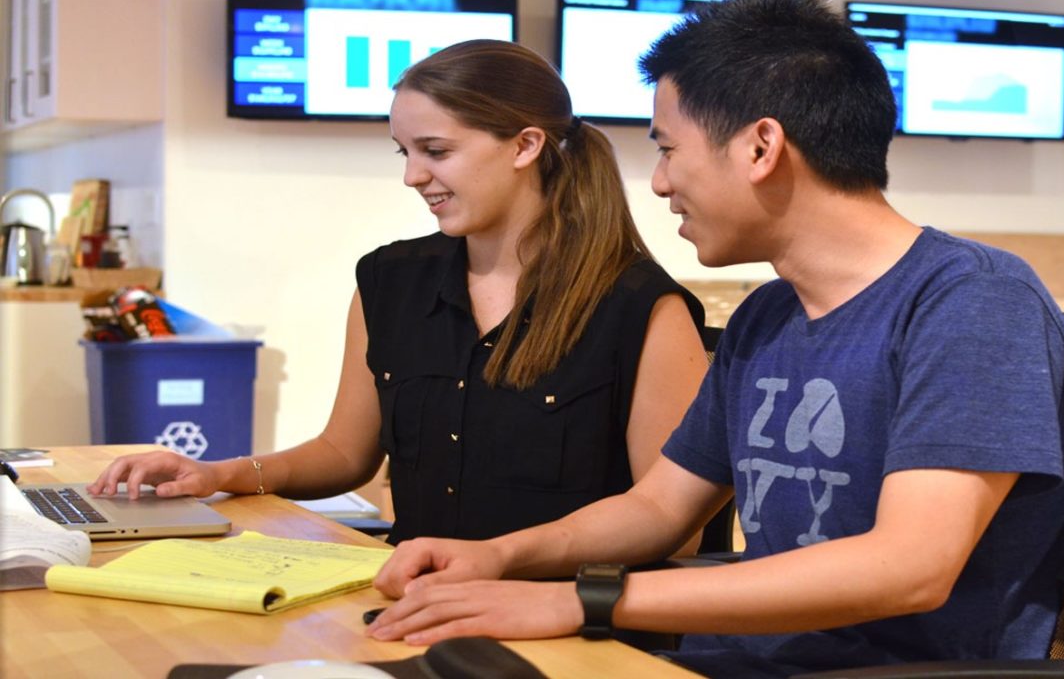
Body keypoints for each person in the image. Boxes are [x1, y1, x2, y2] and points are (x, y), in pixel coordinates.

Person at [361, 0, 1064, 677]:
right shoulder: (767, 316)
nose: (659, 182)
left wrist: (576, 599)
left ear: (760, 147)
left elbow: (910, 567)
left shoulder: (974, 300)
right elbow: (658, 506)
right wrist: (498, 558)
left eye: (670, 149)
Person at [89, 40, 709, 546]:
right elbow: (343, 452)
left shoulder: (643, 307)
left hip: (562, 622)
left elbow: (667, 522)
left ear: (526, 145)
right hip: (410, 601)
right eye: (405, 152)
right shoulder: (387, 280)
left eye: (435, 151)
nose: (413, 176)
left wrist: (502, 569)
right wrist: (217, 474)